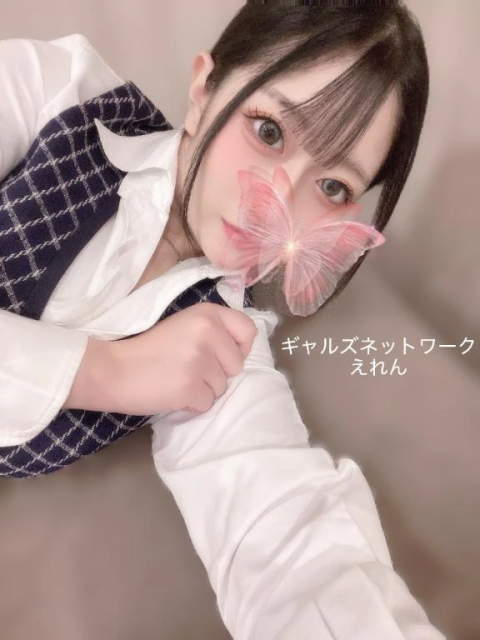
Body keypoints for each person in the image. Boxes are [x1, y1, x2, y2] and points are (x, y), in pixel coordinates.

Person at [0, 0, 446, 637]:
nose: (279, 204)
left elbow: (289, 544)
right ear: (204, 89)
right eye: (269, 131)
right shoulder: (52, 93)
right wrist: (104, 371)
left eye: (333, 187)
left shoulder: (224, 348)